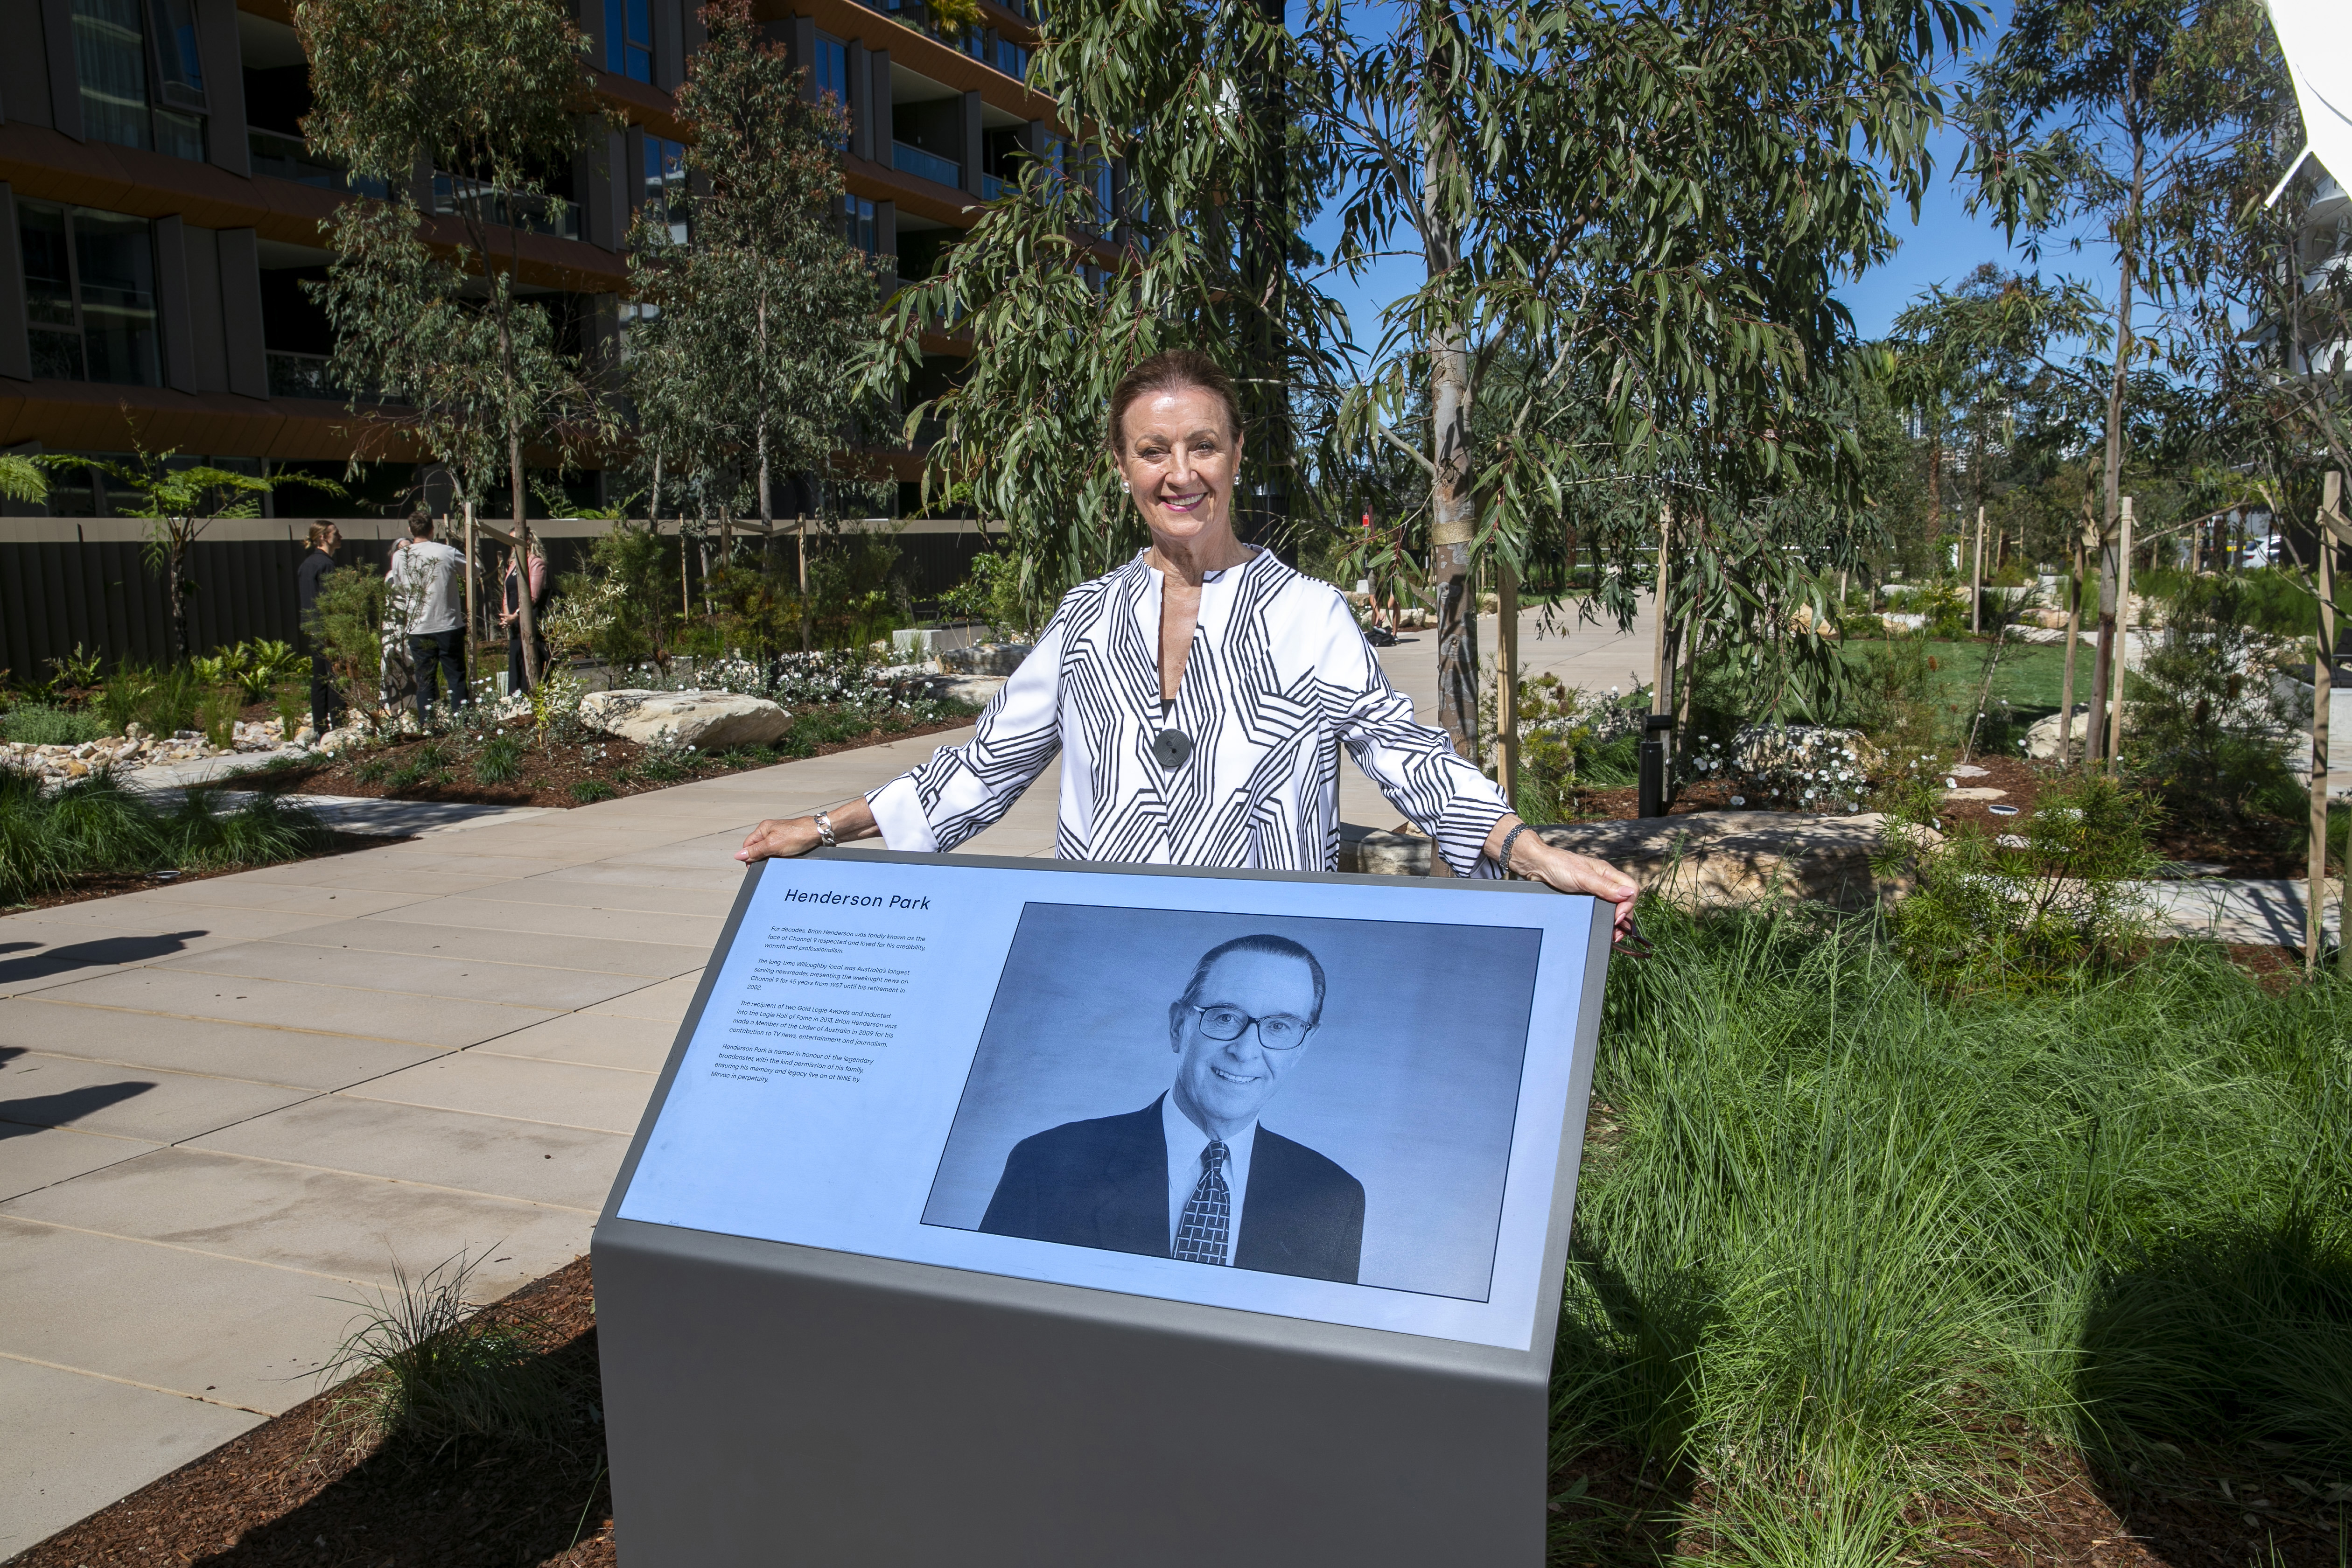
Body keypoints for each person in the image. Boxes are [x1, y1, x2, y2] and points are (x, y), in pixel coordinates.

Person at [737, 349, 1638, 937]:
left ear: (1237, 454)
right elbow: (983, 769)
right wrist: (820, 830)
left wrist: (1532, 850)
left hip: (1267, 962)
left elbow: (1408, 757)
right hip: (1107, 953)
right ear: (1122, 467)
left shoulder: (1308, 614)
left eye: (1202, 446)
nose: (1180, 473)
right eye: (1152, 450)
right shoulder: (1086, 617)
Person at [980, 935, 1362, 1282]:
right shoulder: (1047, 1164)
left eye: (1280, 1027)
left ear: (1302, 1047)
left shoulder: (1333, 1198)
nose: (1245, 1051)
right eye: (1225, 1018)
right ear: (1180, 1026)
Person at [386, 513, 469, 721]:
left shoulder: (400, 557)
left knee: (424, 679)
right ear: (433, 530)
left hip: (418, 628)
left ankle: (428, 724)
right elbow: (473, 571)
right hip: (447, 624)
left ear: (410, 531)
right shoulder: (446, 552)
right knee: (456, 677)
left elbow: (399, 586)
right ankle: (463, 722)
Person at [294, 521, 344, 737]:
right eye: (336, 533)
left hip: (314, 628)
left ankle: (320, 728)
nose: (340, 536)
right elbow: (331, 600)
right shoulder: (326, 565)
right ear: (324, 537)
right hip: (329, 628)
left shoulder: (307, 565)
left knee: (320, 678)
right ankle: (339, 727)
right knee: (336, 676)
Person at [500, 537, 550, 694]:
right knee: (516, 656)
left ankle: (533, 694)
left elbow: (532, 597)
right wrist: (507, 616)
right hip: (513, 621)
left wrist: (517, 615)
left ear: (527, 540)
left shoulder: (536, 563)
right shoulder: (514, 564)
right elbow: (507, 594)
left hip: (529, 618)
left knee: (529, 654)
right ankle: (516, 695)